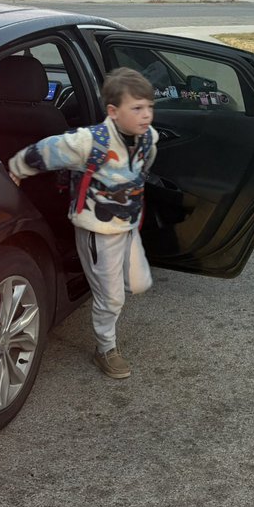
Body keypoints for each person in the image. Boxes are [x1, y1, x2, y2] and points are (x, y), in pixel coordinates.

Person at [8, 67, 158, 379]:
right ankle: (106, 347)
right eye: (138, 108)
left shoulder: (148, 138)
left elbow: (146, 163)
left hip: (127, 226)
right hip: (97, 230)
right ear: (114, 112)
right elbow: (46, 150)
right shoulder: (90, 142)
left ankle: (107, 286)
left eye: (150, 107)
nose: (146, 115)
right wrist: (18, 168)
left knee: (140, 283)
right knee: (112, 296)